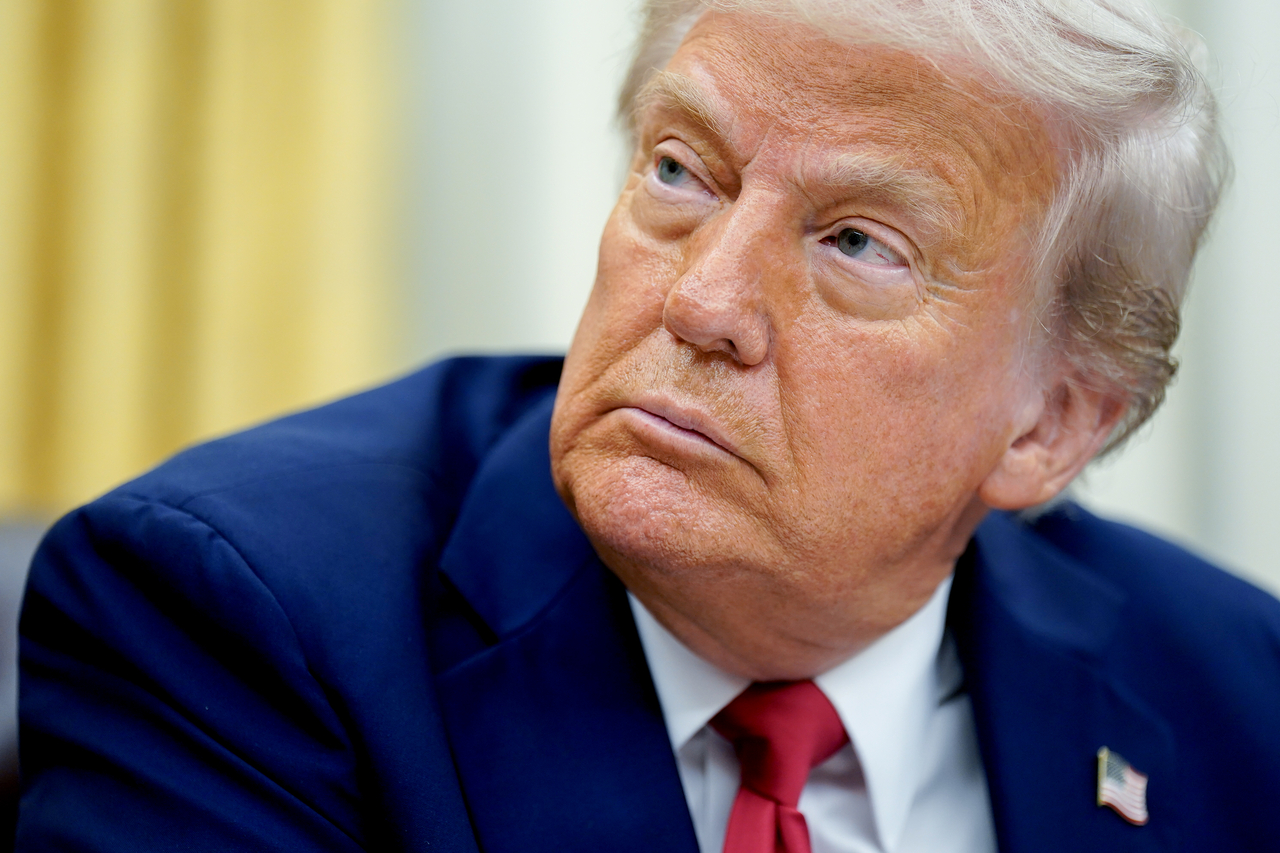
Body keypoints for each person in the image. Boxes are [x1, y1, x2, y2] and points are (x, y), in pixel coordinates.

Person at [15, 0, 1280, 851]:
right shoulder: (228, 619)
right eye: (681, 171)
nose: (701, 299)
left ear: (1047, 427)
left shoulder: (1235, 696)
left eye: (855, 244)